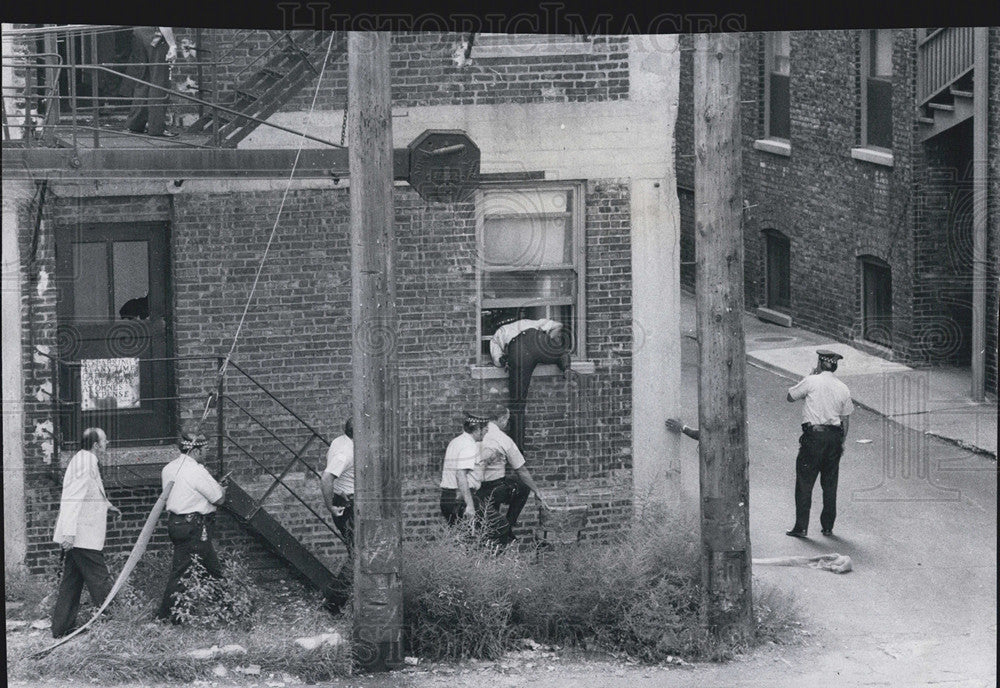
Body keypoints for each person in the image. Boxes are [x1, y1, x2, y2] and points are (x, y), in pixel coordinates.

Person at [51, 427, 122, 638]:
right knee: (100, 580)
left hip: (82, 535)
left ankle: (61, 628)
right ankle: (115, 626)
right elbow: (73, 498)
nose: (107, 444)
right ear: (95, 445)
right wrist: (69, 534)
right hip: (82, 536)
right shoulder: (85, 462)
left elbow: (92, 491)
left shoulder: (86, 460)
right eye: (105, 441)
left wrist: (108, 505)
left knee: (71, 583)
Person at [156, 429, 226, 622]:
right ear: (196, 451)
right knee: (182, 572)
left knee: (211, 568)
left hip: (177, 523)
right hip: (194, 526)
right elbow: (218, 499)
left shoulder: (168, 468)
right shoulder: (196, 470)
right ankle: (166, 617)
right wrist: (221, 488)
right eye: (205, 450)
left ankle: (226, 609)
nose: (207, 454)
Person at [785, 349, 854, 538]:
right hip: (834, 437)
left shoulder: (811, 381)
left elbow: (790, 396)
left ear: (821, 364)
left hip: (814, 437)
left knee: (805, 482)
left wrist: (808, 376)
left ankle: (801, 527)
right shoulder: (843, 388)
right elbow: (845, 420)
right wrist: (841, 442)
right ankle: (828, 526)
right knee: (830, 483)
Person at [489, 315, 573, 449]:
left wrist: (506, 360)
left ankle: (518, 452)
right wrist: (549, 339)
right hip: (537, 338)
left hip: (518, 349)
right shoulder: (532, 322)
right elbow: (558, 325)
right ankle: (565, 365)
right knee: (559, 351)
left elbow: (497, 359)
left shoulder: (500, 332)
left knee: (518, 404)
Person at [475, 405, 551, 545]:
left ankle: (491, 540)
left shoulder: (476, 433)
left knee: (487, 523)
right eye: (507, 420)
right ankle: (508, 529)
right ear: (502, 419)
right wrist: (537, 491)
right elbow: (521, 470)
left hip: (473, 488)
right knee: (523, 487)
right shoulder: (503, 439)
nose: (506, 424)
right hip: (493, 488)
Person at [125, 27, 178, 137]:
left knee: (144, 79)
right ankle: (157, 128)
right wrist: (172, 45)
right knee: (159, 81)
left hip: (139, 33)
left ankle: (135, 125)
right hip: (156, 36)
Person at [440, 411, 489, 526]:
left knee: (462, 540)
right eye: (485, 428)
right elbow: (461, 474)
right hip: (460, 499)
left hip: (448, 497)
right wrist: (470, 506)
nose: (487, 431)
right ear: (477, 430)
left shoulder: (456, 441)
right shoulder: (469, 446)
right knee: (500, 527)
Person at [320, 418, 355, 550]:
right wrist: (330, 507)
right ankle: (349, 571)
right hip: (349, 504)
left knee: (356, 550)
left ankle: (350, 570)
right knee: (359, 551)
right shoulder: (346, 453)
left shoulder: (338, 441)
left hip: (344, 498)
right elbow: (326, 478)